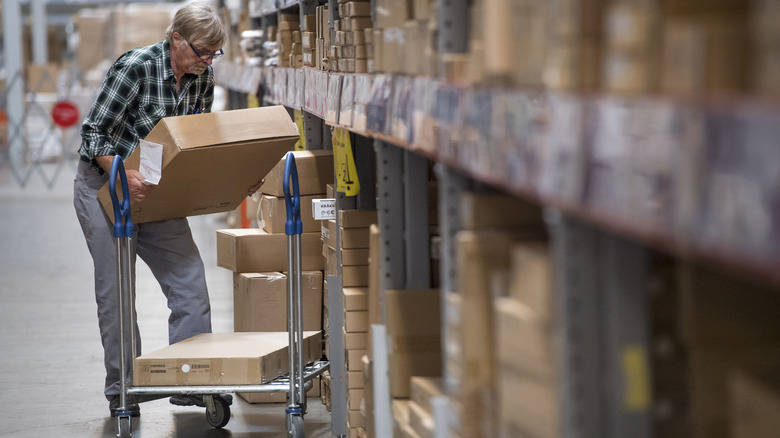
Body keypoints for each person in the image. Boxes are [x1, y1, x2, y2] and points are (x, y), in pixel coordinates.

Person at [74, 2, 257, 417]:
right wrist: (122, 175)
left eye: (214, 54)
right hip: (105, 186)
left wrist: (233, 177)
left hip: (157, 191)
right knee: (117, 292)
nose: (207, 61)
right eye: (201, 51)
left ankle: (191, 381)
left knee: (190, 281)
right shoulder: (135, 67)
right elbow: (93, 133)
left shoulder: (201, 76)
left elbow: (193, 141)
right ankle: (125, 390)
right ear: (176, 38)